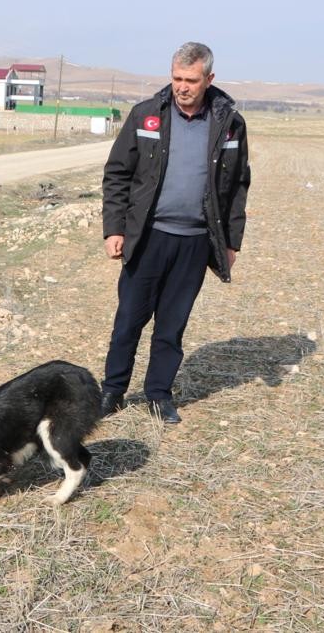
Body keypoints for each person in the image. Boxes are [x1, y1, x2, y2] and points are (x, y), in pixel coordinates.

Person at [100, 42, 250, 424]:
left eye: (191, 80)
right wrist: (114, 228)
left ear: (209, 79)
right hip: (148, 236)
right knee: (129, 321)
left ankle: (158, 394)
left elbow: (237, 186)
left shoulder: (229, 122)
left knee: (172, 324)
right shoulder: (146, 115)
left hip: (195, 242)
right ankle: (113, 391)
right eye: (177, 78)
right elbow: (117, 174)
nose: (182, 86)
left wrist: (231, 241)